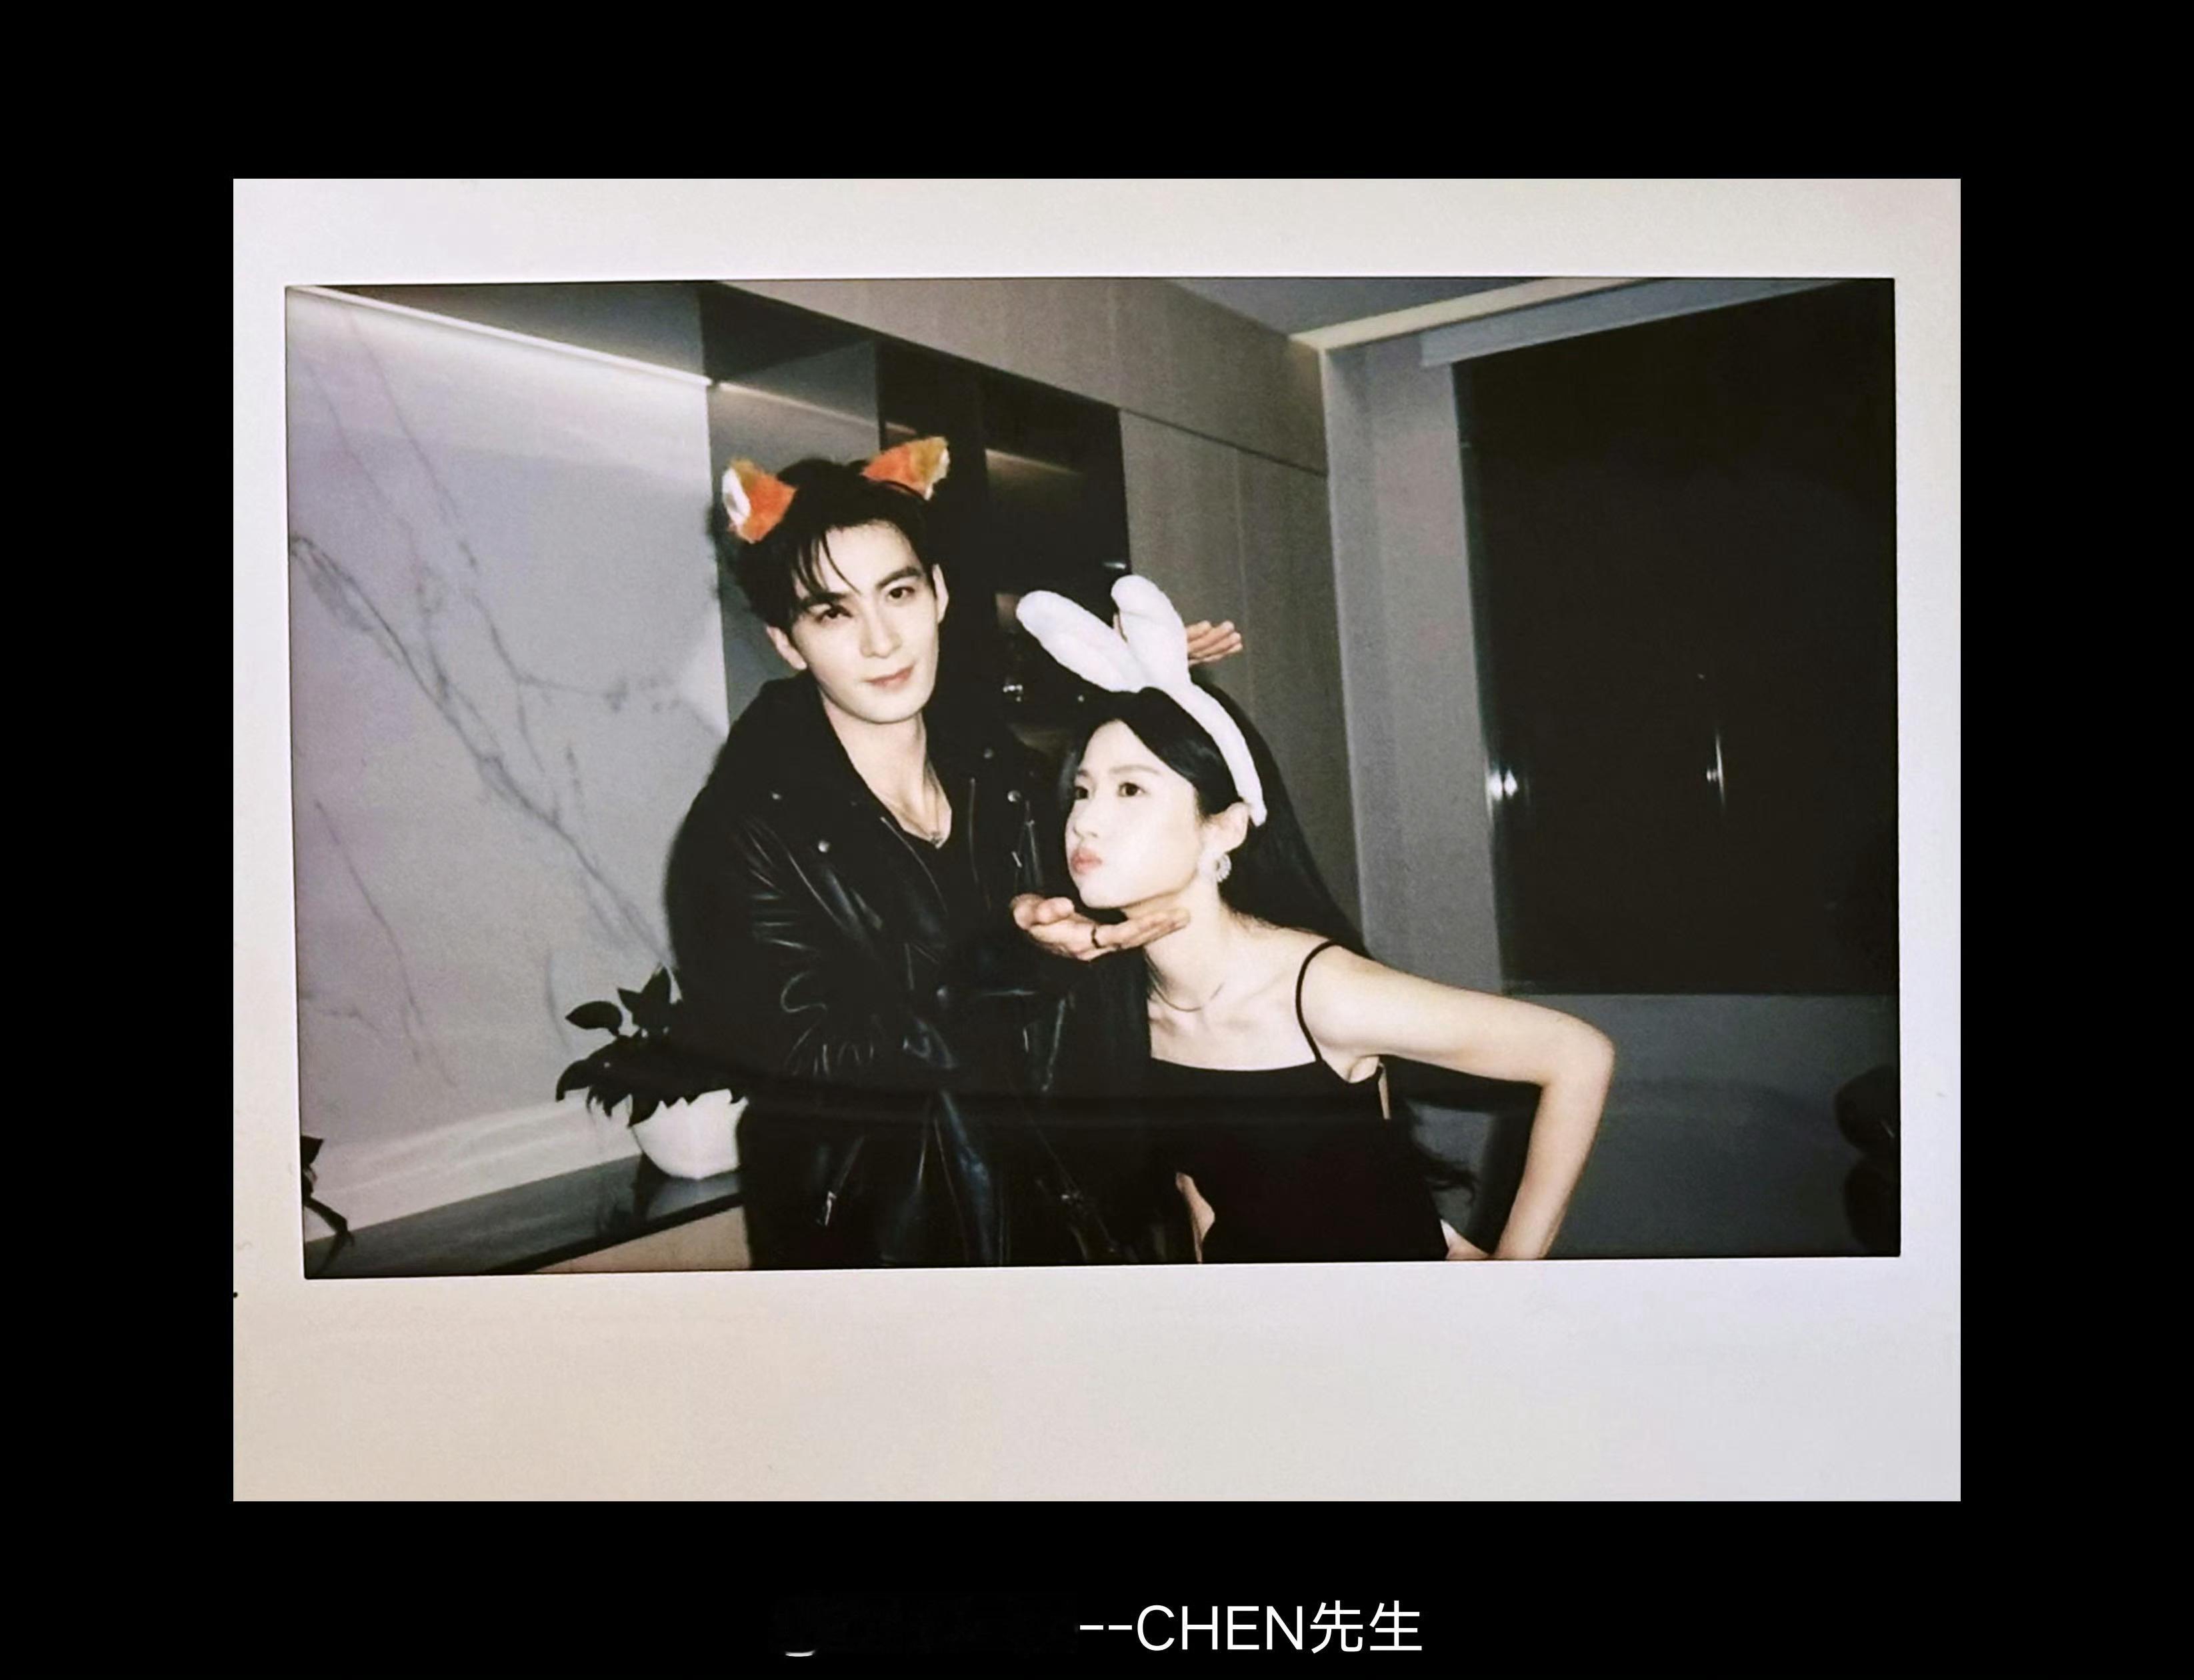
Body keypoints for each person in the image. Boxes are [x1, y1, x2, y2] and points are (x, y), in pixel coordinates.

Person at [662, 439, 1238, 1268]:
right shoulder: (742, 834)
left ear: (937, 593)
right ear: (787, 642)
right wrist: (1003, 962)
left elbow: (1136, 906)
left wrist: (1151, 701)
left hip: (1077, 1226)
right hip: (893, 1252)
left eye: (897, 593)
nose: (881, 641)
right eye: (833, 613)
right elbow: (809, 1065)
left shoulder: (1007, 775)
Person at [1017, 576, 1616, 1263]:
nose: (1086, 820)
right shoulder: (1126, 995)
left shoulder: (1318, 991)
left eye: (1130, 789)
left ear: (1224, 828)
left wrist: (1512, 1283)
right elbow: (1201, 1188)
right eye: (1083, 790)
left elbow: (1576, 1054)